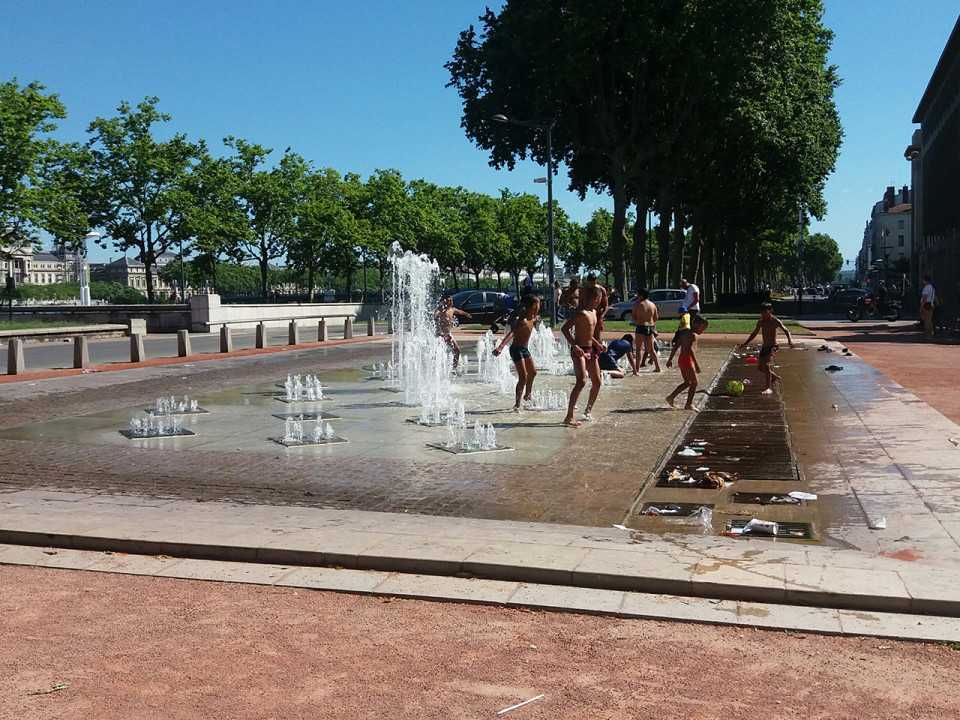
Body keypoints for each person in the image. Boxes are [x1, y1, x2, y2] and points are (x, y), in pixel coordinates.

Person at [560, 286, 606, 426]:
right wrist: (574, 345)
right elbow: (565, 329)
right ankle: (569, 416)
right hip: (579, 351)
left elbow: (588, 333)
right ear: (596, 299)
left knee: (597, 382)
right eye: (600, 300)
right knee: (581, 381)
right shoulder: (583, 314)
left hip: (590, 350)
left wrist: (597, 344)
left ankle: (588, 411)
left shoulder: (594, 313)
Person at [493, 295, 541, 411]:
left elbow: (533, 320)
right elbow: (511, 334)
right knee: (523, 377)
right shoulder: (523, 321)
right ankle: (517, 404)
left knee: (533, 372)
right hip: (516, 349)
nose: (540, 307)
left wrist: (536, 319)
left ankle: (528, 395)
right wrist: (500, 347)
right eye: (539, 304)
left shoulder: (530, 318)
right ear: (534, 305)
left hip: (524, 349)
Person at [739, 301, 794, 394]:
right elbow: (754, 334)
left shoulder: (775, 321)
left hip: (773, 346)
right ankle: (775, 377)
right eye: (761, 313)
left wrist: (790, 340)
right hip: (765, 347)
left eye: (765, 312)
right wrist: (745, 343)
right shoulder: (761, 322)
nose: (763, 315)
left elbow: (786, 330)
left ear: (771, 311)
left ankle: (768, 388)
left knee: (767, 365)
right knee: (760, 368)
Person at [665, 315, 708, 411]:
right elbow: (690, 349)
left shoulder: (684, 334)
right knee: (694, 382)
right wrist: (696, 364)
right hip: (687, 359)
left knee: (687, 382)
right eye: (703, 329)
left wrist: (670, 359)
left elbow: (676, 346)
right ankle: (688, 404)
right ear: (700, 326)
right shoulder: (694, 335)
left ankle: (671, 397)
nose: (702, 332)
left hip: (681, 359)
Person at [434, 297, 472, 372]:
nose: (451, 302)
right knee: (437, 352)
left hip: (448, 334)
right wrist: (437, 311)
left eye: (452, 300)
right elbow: (435, 313)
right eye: (449, 301)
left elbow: (459, 311)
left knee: (457, 350)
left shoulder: (452, 309)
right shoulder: (442, 310)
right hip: (440, 334)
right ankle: (436, 369)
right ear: (445, 302)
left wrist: (466, 314)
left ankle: (454, 369)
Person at [630, 288, 660, 372]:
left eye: (638, 295)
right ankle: (657, 367)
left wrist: (636, 321)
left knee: (639, 349)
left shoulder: (638, 304)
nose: (637, 297)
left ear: (641, 295)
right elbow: (655, 318)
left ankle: (637, 369)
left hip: (640, 326)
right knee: (651, 349)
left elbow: (634, 317)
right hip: (650, 327)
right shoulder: (652, 305)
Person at [585, 273, 609, 340]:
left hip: (598, 315)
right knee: (587, 336)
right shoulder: (583, 290)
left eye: (594, 283)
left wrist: (601, 316)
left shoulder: (601, 289)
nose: (592, 285)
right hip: (587, 316)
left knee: (597, 337)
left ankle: (597, 349)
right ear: (587, 282)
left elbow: (606, 305)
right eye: (591, 284)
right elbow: (581, 304)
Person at [920, 275, 936, 341]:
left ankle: (927, 335)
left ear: (925, 280)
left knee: (926, 321)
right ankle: (931, 335)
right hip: (931, 305)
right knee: (929, 321)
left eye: (923, 280)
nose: (922, 281)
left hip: (926, 306)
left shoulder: (926, 288)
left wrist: (921, 308)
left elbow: (924, 299)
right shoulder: (932, 288)